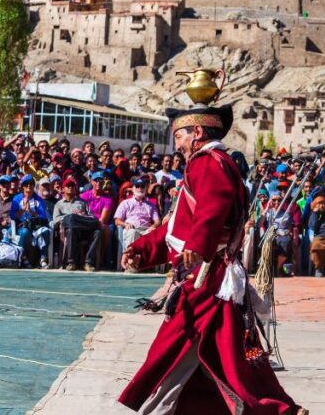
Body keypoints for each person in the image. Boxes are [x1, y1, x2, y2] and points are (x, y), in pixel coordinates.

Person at [118, 98, 304, 415]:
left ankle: (271, 409)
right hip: (213, 275)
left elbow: (212, 207)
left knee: (173, 348)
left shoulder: (209, 163)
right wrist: (141, 250)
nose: (176, 143)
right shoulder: (213, 163)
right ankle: (275, 408)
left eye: (179, 135)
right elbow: (178, 227)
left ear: (198, 132)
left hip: (207, 277)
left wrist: (199, 243)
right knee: (224, 352)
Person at [53, 177, 102, 271]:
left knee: (97, 231)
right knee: (71, 225)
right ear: (63, 189)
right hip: (70, 231)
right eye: (68, 186)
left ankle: (88, 262)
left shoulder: (82, 202)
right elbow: (55, 220)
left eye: (72, 186)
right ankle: (71, 262)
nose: (70, 187)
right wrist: (69, 216)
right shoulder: (59, 204)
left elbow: (91, 216)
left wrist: (82, 215)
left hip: (84, 229)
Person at [10, 175, 51, 269]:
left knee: (45, 231)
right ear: (23, 186)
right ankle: (22, 257)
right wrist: (23, 210)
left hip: (36, 226)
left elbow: (43, 216)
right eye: (26, 184)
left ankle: (43, 258)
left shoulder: (38, 199)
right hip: (21, 226)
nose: (29, 186)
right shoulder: (17, 199)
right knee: (25, 232)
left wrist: (31, 212)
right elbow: (12, 216)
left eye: (31, 184)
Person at [114, 177, 161, 249]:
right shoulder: (125, 203)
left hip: (145, 229)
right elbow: (117, 221)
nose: (140, 188)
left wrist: (153, 227)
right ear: (133, 189)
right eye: (137, 186)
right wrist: (125, 224)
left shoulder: (151, 205)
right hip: (131, 228)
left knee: (153, 233)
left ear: (145, 189)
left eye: (142, 186)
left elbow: (157, 221)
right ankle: (129, 257)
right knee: (132, 233)